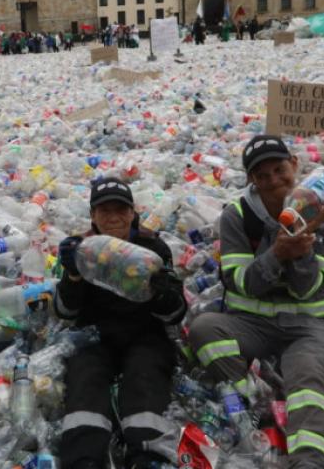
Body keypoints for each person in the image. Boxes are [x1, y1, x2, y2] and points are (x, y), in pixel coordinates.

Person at [187, 135, 324, 469]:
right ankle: (257, 400)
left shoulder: (321, 216)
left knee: (311, 379)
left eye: (279, 169)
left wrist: (301, 253)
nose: (273, 180)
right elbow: (241, 283)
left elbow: (309, 290)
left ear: (294, 165)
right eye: (262, 175)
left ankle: (312, 462)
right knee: (203, 329)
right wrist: (277, 253)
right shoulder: (238, 215)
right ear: (252, 180)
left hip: (306, 326)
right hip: (251, 324)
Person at [54, 177, 186, 469]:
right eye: (105, 211)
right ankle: (83, 459)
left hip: (144, 333)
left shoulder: (153, 248)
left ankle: (148, 456)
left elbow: (176, 314)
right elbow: (65, 311)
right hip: (96, 335)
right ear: (93, 216)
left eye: (120, 210)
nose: (113, 218)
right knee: (85, 377)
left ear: (132, 213)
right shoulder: (82, 250)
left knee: (145, 375)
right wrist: (72, 274)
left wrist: (162, 293)